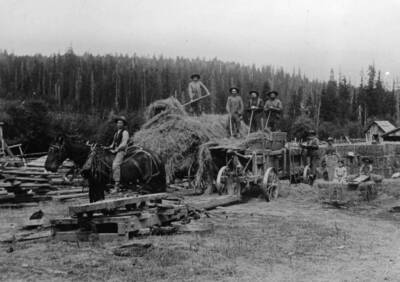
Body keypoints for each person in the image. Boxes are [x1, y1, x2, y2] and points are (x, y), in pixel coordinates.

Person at [106, 116, 130, 192]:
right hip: (116, 150)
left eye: (121, 123)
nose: (119, 124)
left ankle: (117, 186)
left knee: (115, 165)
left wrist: (116, 150)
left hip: (122, 151)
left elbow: (123, 144)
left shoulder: (125, 132)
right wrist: (107, 147)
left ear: (123, 124)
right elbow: (113, 144)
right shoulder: (116, 133)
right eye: (118, 123)